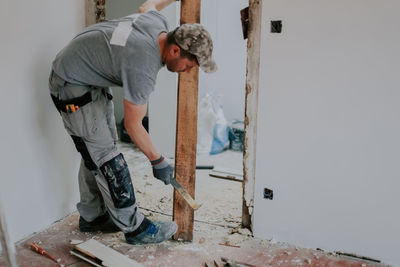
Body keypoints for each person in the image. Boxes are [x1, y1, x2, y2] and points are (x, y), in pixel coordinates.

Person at [48, 0, 216, 245]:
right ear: (176, 50)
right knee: (107, 158)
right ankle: (136, 229)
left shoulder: (158, 24)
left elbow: (147, 5)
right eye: (189, 65)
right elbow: (133, 125)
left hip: (86, 76)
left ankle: (92, 217)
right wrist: (158, 160)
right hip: (71, 83)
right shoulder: (143, 65)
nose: (188, 71)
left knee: (95, 150)